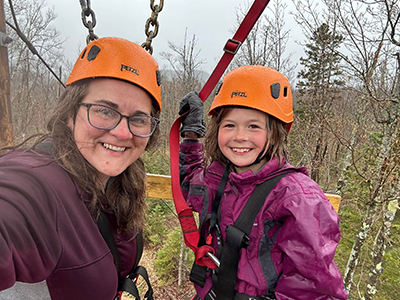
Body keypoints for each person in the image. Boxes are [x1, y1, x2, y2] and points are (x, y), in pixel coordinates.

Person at [0, 37, 161, 300]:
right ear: (70, 114)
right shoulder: (36, 181)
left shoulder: (123, 181)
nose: (122, 133)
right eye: (105, 111)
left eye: (138, 119)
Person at [178, 65, 348, 300]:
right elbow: (188, 185)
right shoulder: (218, 179)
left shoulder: (297, 198)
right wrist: (191, 135)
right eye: (229, 125)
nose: (239, 136)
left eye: (253, 126)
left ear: (276, 132)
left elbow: (313, 288)